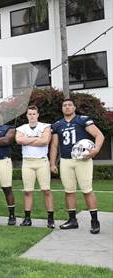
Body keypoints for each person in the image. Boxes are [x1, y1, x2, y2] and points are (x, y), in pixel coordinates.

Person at [50, 99, 104, 234]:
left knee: (87, 190)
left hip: (82, 160)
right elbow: (55, 145)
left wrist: (96, 150)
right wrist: (52, 163)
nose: (67, 107)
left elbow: (99, 135)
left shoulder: (82, 120)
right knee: (69, 191)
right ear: (62, 109)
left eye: (69, 105)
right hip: (66, 161)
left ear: (74, 107)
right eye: (64, 105)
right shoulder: (57, 125)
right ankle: (72, 220)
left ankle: (94, 221)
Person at [16, 105, 54, 228]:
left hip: (41, 162)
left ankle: (50, 219)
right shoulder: (22, 128)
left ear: (38, 115)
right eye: (29, 114)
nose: (32, 116)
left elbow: (45, 141)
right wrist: (37, 138)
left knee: (46, 190)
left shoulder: (45, 126)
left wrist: (28, 139)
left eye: (34, 113)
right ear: (27, 115)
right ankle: (27, 218)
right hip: (27, 162)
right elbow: (19, 140)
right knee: (27, 191)